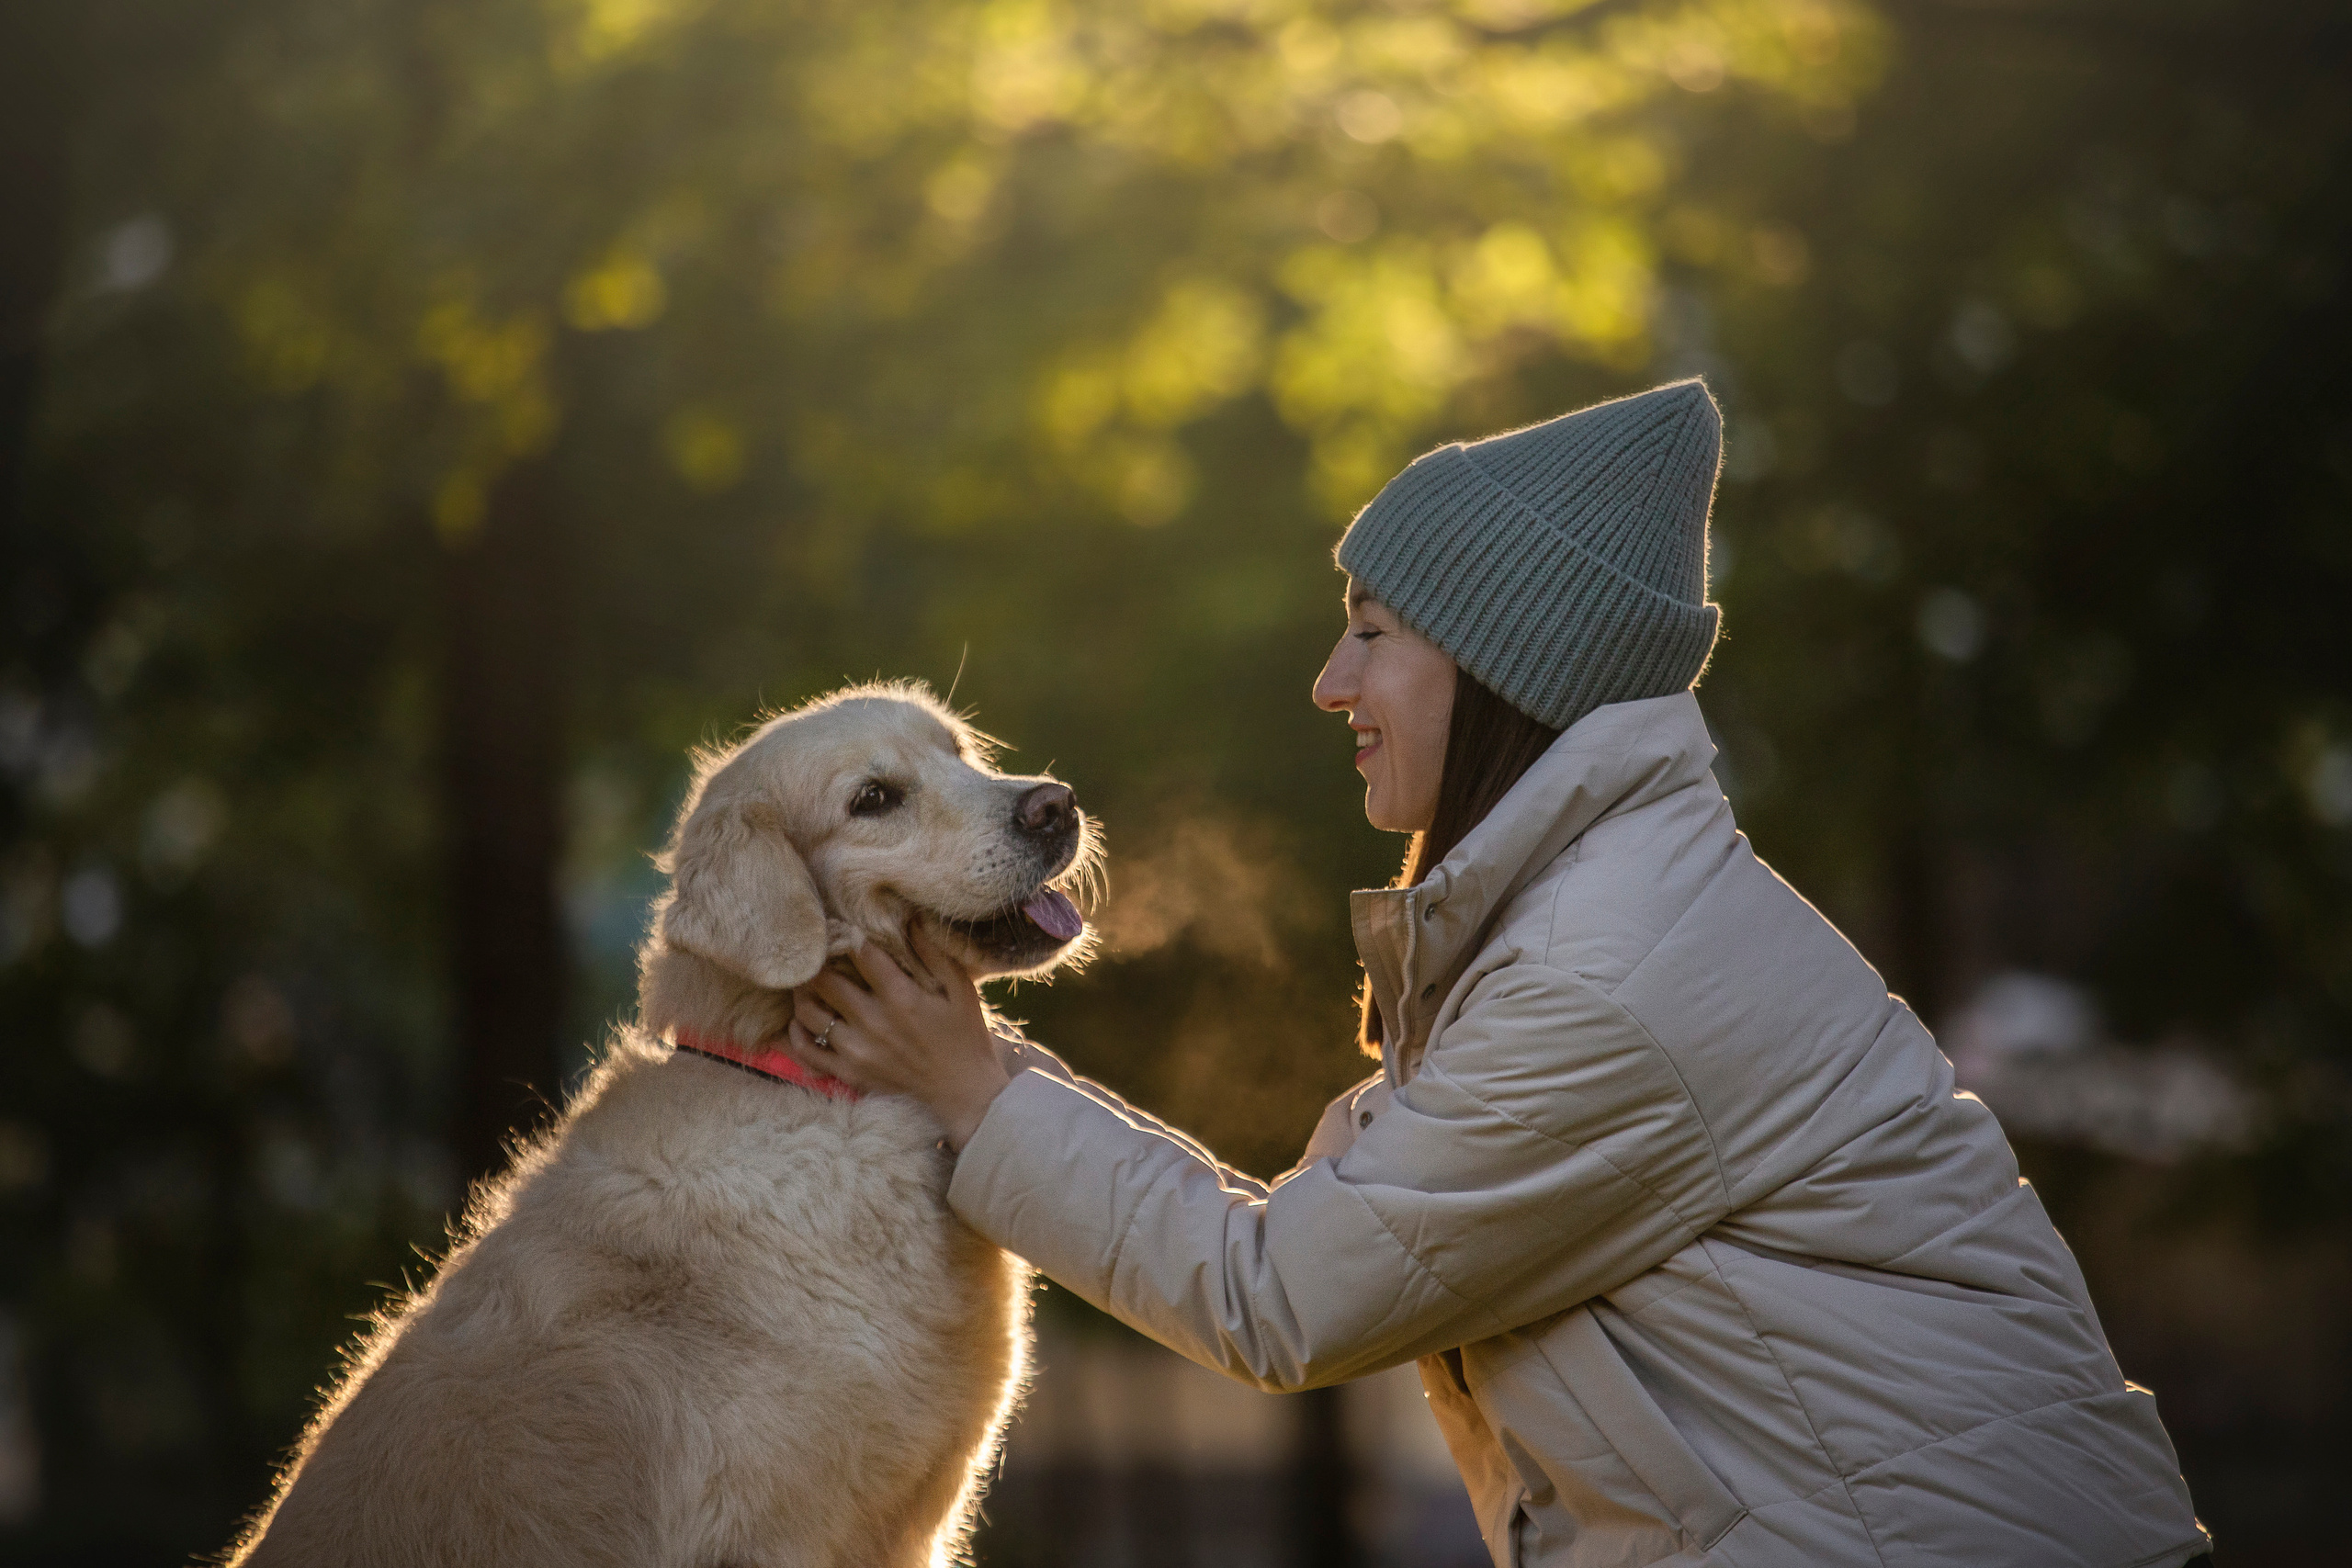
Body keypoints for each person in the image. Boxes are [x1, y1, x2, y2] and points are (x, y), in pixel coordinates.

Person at [786, 381, 2212, 1567]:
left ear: (1499, 666)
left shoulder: (1609, 977)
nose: (1331, 684)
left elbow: (1280, 1299)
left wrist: (973, 1088)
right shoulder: (1590, 920)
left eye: (1374, 634)